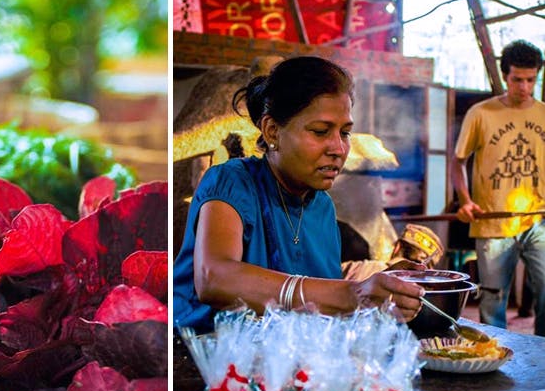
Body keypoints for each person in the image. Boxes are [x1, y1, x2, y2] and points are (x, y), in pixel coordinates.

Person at [173, 56, 425, 333]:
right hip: (202, 357)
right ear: (272, 131)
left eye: (345, 133)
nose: (338, 148)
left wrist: (384, 285)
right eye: (320, 132)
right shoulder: (231, 182)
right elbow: (214, 278)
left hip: (279, 362)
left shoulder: (322, 208)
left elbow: (318, 301)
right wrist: (353, 295)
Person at [451, 39, 545, 336]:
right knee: (493, 301)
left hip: (537, 221)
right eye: (518, 79)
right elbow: (458, 162)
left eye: (531, 80)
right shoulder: (481, 113)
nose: (524, 87)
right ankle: (495, 360)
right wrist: (465, 200)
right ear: (506, 76)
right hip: (492, 224)